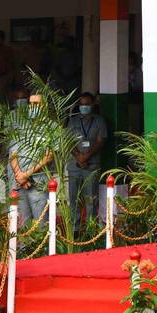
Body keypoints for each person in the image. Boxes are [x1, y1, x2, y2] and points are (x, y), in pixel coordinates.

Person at [8, 92, 54, 226]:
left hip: (38, 185)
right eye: (30, 104)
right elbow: (13, 154)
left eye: (36, 104)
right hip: (20, 184)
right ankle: (23, 248)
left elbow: (48, 157)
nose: (32, 107)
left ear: (44, 107)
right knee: (23, 225)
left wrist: (25, 175)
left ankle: (43, 248)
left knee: (41, 225)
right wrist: (19, 176)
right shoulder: (21, 126)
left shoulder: (51, 128)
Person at [67, 93, 107, 223]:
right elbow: (68, 141)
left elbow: (101, 141)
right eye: (82, 104)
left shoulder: (99, 120)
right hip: (74, 166)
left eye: (87, 104)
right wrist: (78, 157)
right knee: (74, 198)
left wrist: (86, 156)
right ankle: (75, 228)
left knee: (91, 198)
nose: (84, 107)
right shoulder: (72, 121)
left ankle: (91, 228)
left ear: (93, 105)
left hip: (92, 165)